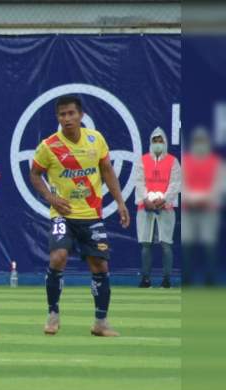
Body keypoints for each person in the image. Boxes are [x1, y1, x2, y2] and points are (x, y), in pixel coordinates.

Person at [29, 95, 130, 337]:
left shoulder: (96, 140)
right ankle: (53, 314)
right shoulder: (49, 146)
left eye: (71, 113)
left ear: (81, 115)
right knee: (58, 257)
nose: (67, 119)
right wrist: (50, 198)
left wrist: (120, 202)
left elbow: (107, 170)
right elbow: (34, 174)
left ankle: (100, 323)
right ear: (58, 118)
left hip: (91, 215)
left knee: (100, 265)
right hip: (62, 215)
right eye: (62, 114)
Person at [134, 127, 180, 288]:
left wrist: (164, 199)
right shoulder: (143, 160)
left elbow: (175, 183)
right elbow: (139, 182)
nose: (158, 144)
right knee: (146, 243)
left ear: (165, 142)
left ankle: (167, 279)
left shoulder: (173, 161)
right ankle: (145, 279)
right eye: (155, 141)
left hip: (165, 207)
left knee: (166, 243)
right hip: (145, 206)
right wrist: (146, 199)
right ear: (151, 143)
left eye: (160, 141)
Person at [181, 126, 222, 285]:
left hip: (209, 209)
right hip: (188, 209)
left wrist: (207, 197)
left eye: (202, 141)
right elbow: (182, 184)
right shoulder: (186, 161)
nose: (200, 144)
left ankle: (210, 278)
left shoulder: (216, 162)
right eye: (197, 141)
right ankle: (187, 278)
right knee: (187, 244)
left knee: (209, 244)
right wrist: (191, 198)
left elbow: (219, 185)